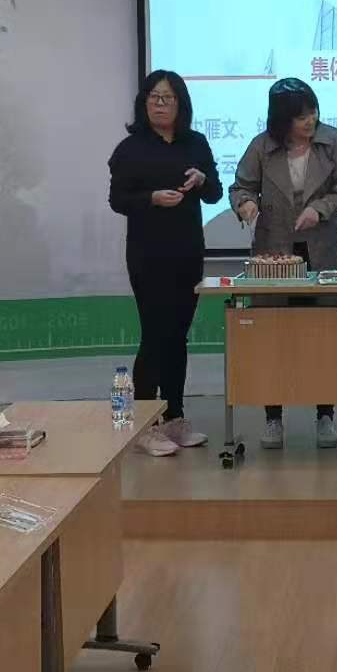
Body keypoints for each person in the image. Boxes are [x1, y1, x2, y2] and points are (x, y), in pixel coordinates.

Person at [230, 78, 337, 451]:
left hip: (321, 251)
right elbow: (240, 187)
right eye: (301, 116)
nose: (310, 121)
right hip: (274, 254)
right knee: (275, 338)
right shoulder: (262, 147)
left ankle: (325, 414)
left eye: (313, 112)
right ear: (281, 120)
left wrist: (320, 208)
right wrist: (246, 204)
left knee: (324, 337)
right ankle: (273, 417)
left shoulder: (331, 141)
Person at [108, 70, 222, 457]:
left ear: (180, 104)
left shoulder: (196, 143)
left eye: (167, 98)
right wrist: (151, 198)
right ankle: (145, 424)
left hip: (187, 251)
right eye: (153, 97)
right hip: (148, 253)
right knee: (155, 334)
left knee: (177, 336)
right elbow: (118, 200)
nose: (159, 104)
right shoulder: (131, 148)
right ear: (143, 102)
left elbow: (214, 193)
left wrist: (202, 179)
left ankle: (175, 416)